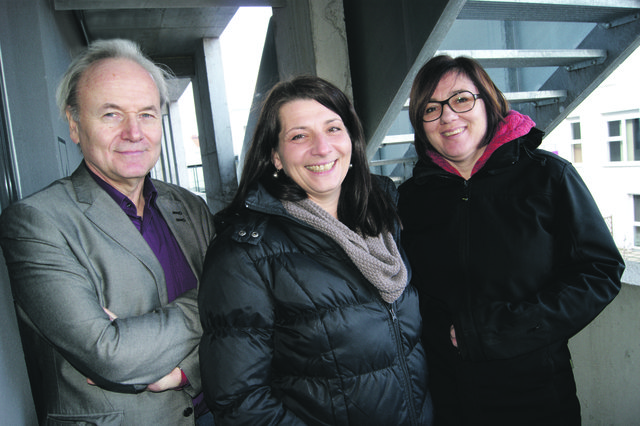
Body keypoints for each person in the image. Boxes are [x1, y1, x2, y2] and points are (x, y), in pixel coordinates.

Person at [397, 54, 625, 425]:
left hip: (537, 397)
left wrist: (501, 331)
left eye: (461, 99)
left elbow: (600, 272)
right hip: (446, 400)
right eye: (431, 108)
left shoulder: (548, 177)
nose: (448, 117)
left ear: (488, 102)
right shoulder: (410, 200)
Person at [0, 39, 216, 425]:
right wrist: (215, 299)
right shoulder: (36, 222)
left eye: (147, 115)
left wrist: (186, 372)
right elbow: (110, 356)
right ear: (74, 124)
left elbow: (248, 327)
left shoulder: (190, 207)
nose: (134, 133)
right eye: (112, 114)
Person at [198, 75, 433, 425]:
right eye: (299, 136)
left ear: (351, 139)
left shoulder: (383, 220)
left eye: (333, 129)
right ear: (276, 157)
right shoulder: (245, 253)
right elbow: (240, 402)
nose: (322, 148)